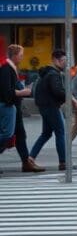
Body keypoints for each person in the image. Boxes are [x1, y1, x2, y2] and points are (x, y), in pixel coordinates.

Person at [30, 49, 77, 171]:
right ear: (55, 60)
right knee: (60, 133)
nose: (65, 63)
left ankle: (30, 158)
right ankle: (63, 162)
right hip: (51, 107)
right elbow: (57, 91)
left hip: (44, 106)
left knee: (46, 134)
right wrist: (71, 97)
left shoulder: (46, 73)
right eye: (63, 61)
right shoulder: (53, 74)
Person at [0, 44, 44, 172]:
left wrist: (22, 89)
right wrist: (23, 92)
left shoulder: (11, 68)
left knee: (20, 135)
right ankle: (26, 163)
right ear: (14, 56)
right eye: (20, 55)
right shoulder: (6, 69)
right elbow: (7, 92)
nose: (22, 58)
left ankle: (26, 162)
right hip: (8, 106)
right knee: (7, 135)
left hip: (14, 107)